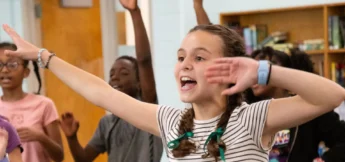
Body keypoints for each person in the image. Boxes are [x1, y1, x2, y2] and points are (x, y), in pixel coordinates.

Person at [3, 19, 345, 161]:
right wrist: (44, 57)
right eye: (181, 57)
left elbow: (332, 95)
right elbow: (101, 93)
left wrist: (262, 69)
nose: (185, 65)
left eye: (199, 58)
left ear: (230, 71)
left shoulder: (253, 117)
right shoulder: (170, 120)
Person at [59, 0, 163, 161]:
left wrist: (134, 12)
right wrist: (72, 138)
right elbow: (83, 158)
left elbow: (144, 60)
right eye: (112, 73)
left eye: (124, 73)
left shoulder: (147, 109)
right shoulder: (107, 122)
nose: (115, 76)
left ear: (139, 83)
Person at [249, 46, 345, 162]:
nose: (254, 75)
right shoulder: (248, 110)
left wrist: (326, 159)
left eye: (261, 69)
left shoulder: (309, 108)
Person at [0, 42, 64, 162]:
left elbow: (59, 156)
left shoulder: (44, 104)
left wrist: (40, 137)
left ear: (26, 72)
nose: (4, 70)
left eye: (12, 64)